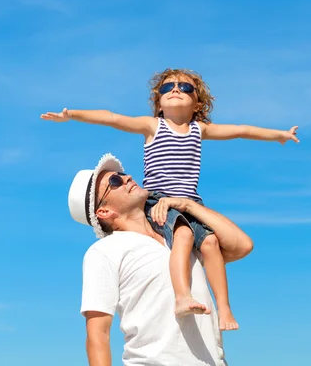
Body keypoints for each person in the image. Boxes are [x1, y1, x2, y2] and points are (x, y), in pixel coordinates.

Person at [44, 68, 298, 330]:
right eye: (168, 88)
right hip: (158, 200)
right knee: (184, 236)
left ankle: (224, 310)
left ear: (197, 103)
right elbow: (112, 118)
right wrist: (71, 115)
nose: (175, 89)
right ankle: (182, 296)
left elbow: (242, 130)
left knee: (210, 243)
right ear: (159, 103)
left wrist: (278, 135)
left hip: (190, 202)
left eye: (185, 87)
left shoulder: (199, 130)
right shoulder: (153, 126)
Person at [68, 153, 253, 366]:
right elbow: (98, 334)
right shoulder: (104, 251)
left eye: (122, 174)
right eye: (115, 181)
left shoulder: (176, 236)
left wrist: (189, 206)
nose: (126, 178)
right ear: (103, 211)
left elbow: (241, 245)